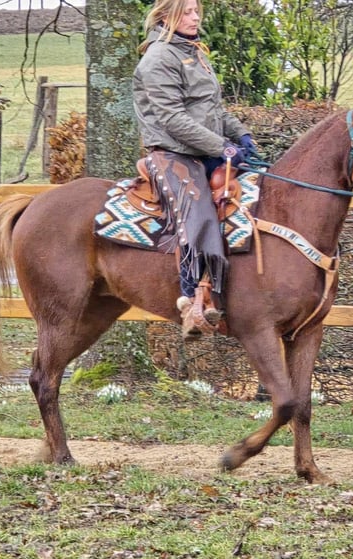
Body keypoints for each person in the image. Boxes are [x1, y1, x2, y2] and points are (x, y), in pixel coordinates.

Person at [132, 0, 256, 340]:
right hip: (174, 153)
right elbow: (173, 119)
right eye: (186, 12)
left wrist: (240, 133)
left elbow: (213, 109)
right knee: (199, 214)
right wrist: (222, 147)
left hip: (207, 149)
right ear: (165, 17)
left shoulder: (195, 53)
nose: (194, 17)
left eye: (196, 11)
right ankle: (192, 299)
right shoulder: (157, 58)